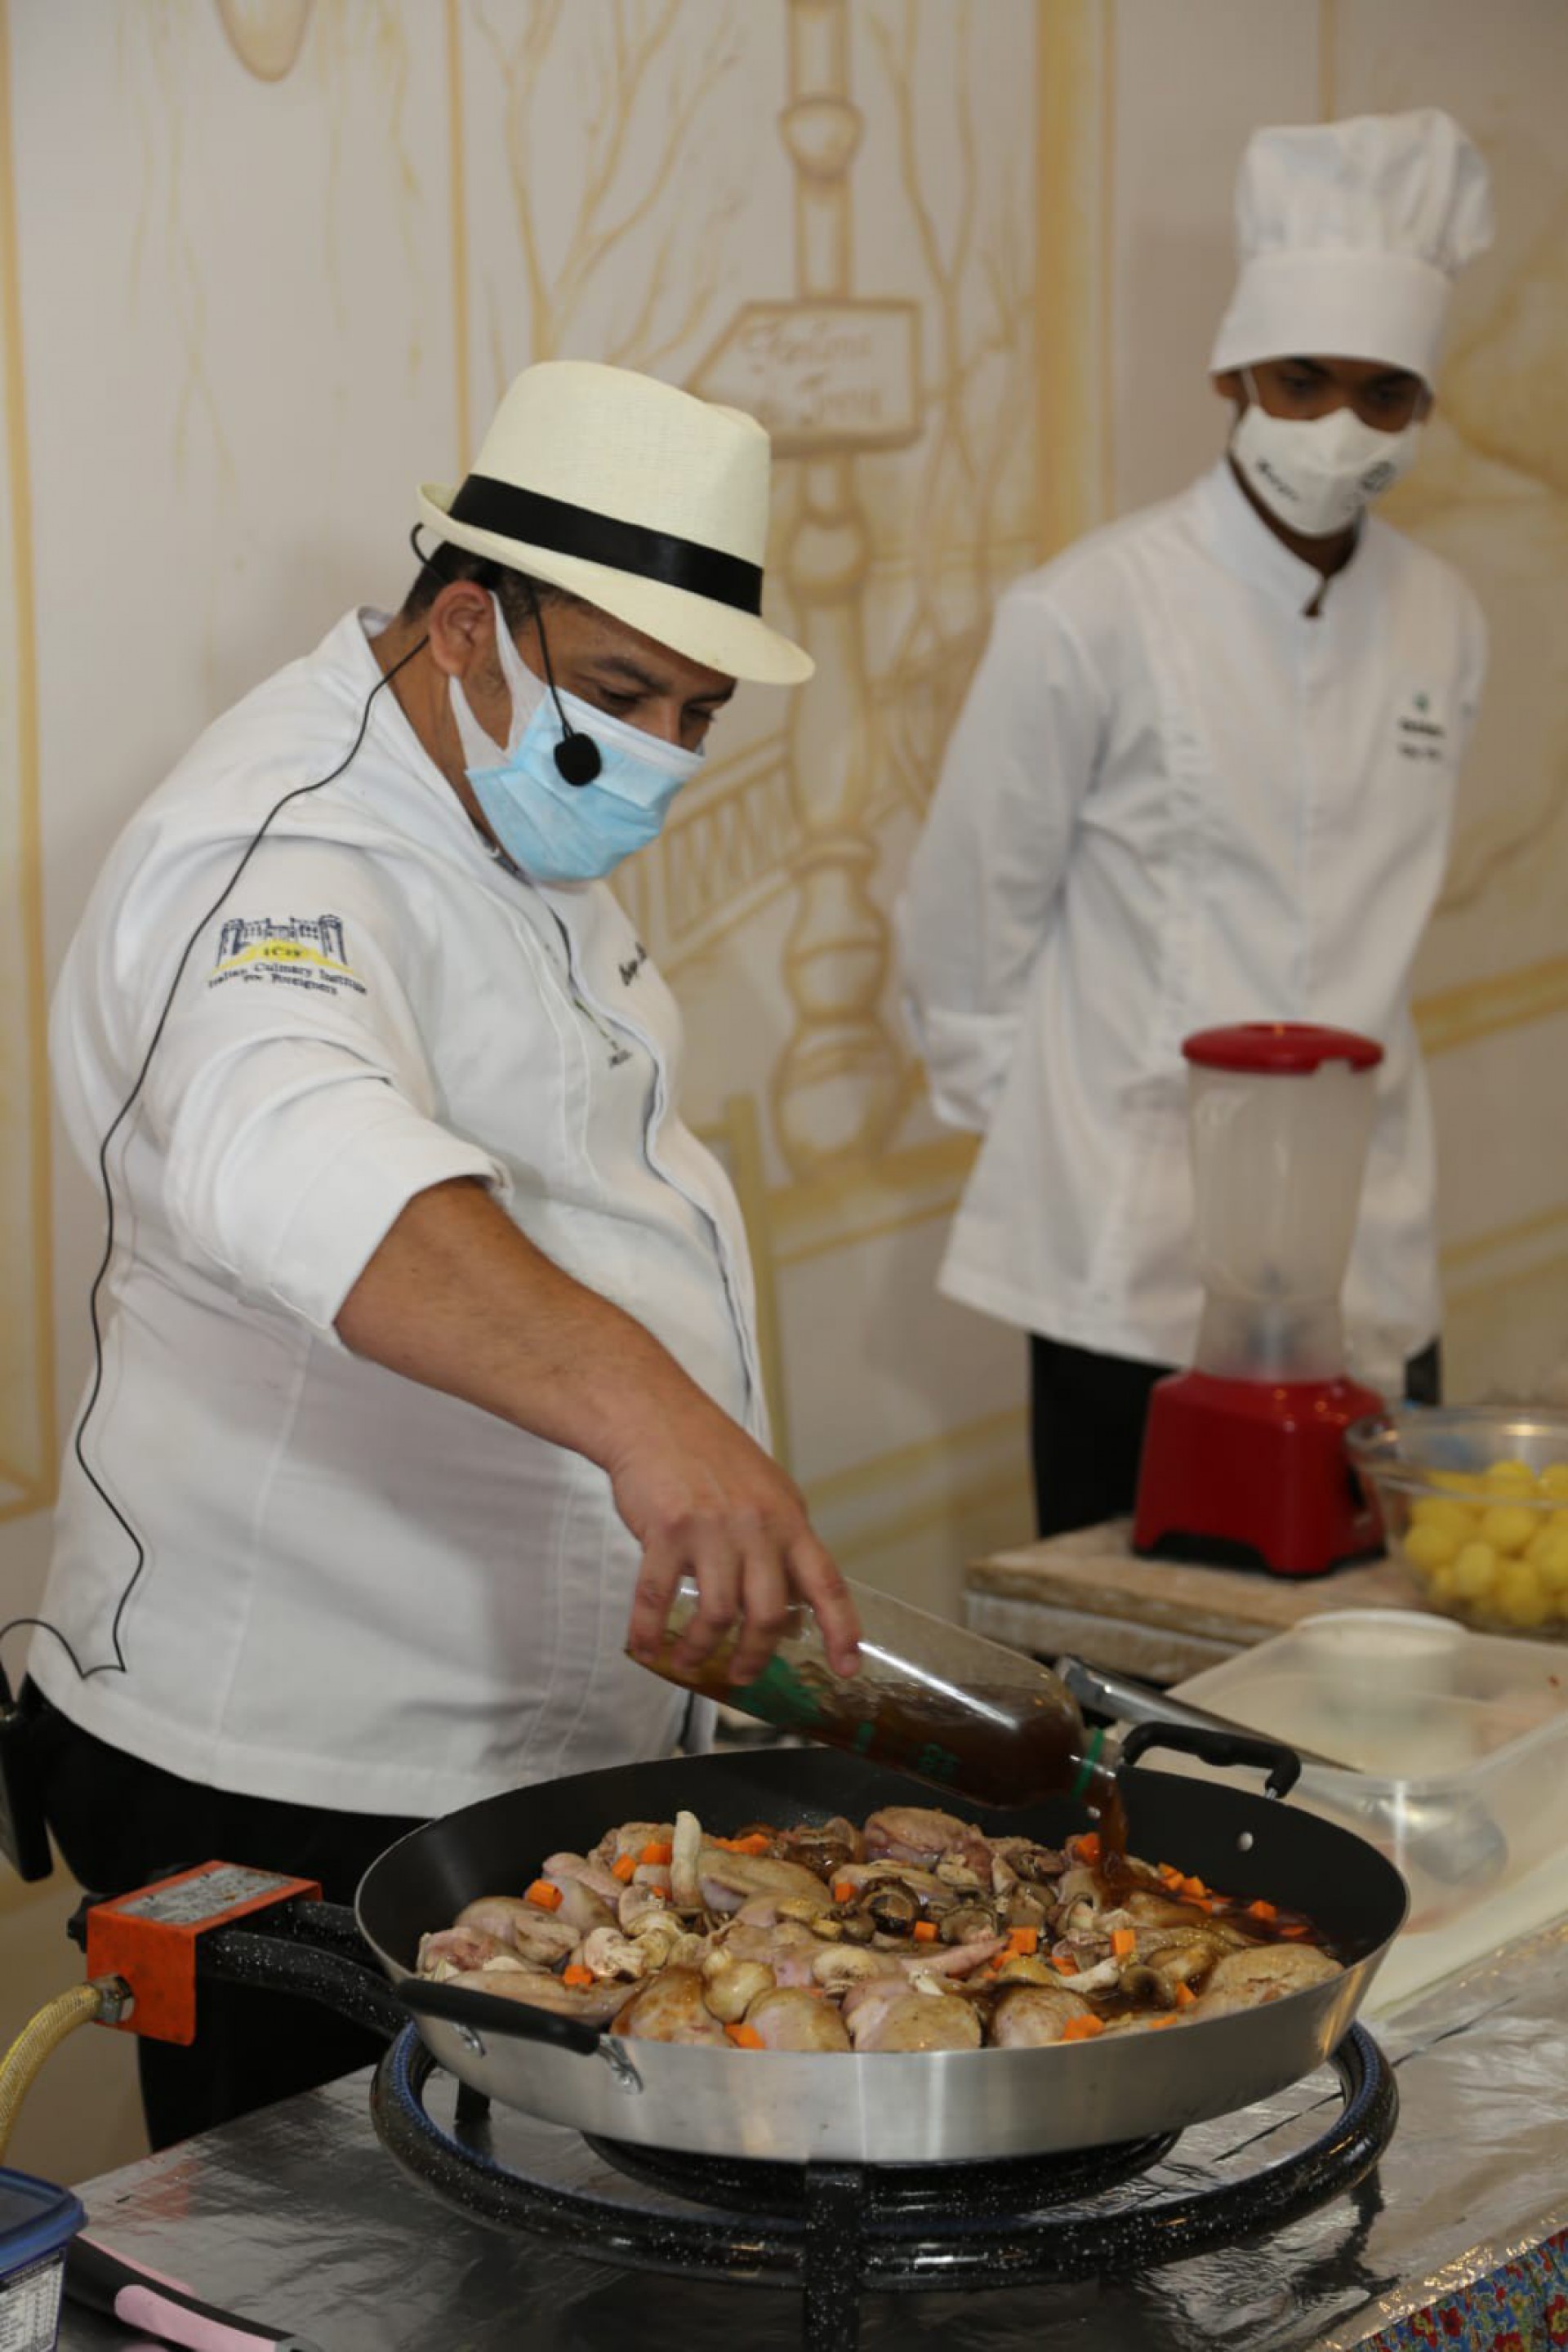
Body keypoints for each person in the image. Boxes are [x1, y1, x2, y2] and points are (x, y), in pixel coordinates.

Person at [22, 359, 858, 2145]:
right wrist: (655, 1414)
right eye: (624, 691)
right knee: (347, 2279)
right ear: (465, 619)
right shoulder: (279, 849)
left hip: (493, 1739)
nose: (660, 754)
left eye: (699, 710)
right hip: (295, 1767)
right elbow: (295, 1144)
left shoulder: (484, 793)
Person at [898, 111, 1493, 1539]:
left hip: (1371, 1236)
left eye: (1383, 393)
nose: (1338, 427)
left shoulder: (1445, 619)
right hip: (1134, 1251)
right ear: (1232, 371)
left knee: (1373, 1643)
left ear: (1423, 404)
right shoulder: (1087, 611)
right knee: (1143, 1670)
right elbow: (967, 924)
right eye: (1302, 382)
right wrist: (1084, 1138)